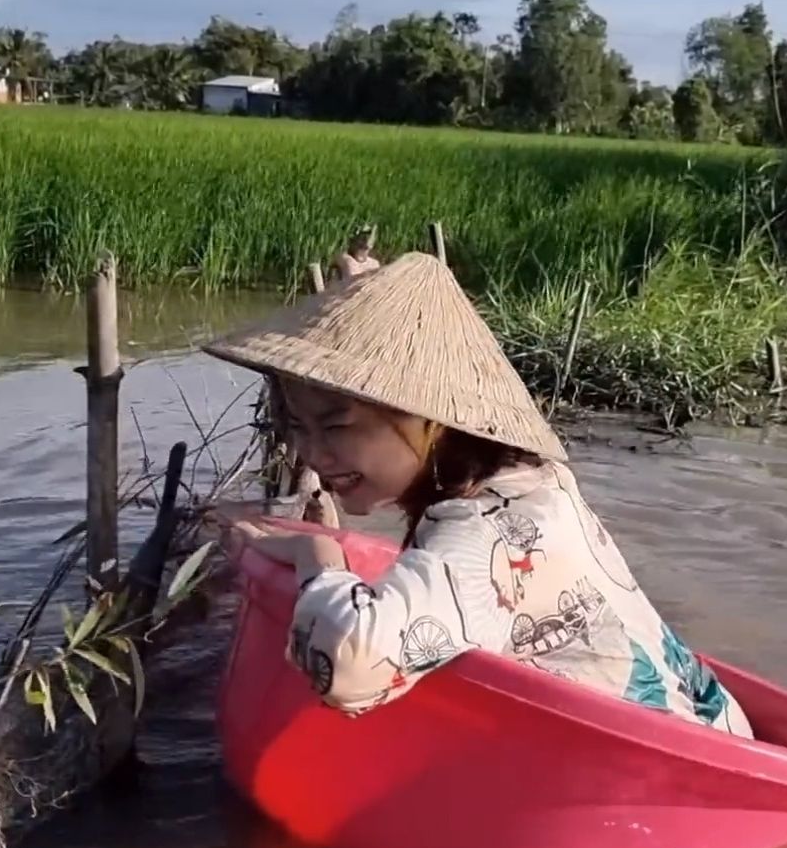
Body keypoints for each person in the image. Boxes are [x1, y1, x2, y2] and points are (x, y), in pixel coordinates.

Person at [204, 250, 752, 737]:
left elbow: (350, 668)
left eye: (337, 426)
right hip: (710, 722)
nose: (312, 454)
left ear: (431, 418)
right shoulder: (532, 477)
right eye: (297, 427)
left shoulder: (481, 533)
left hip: (668, 768)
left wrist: (319, 556)